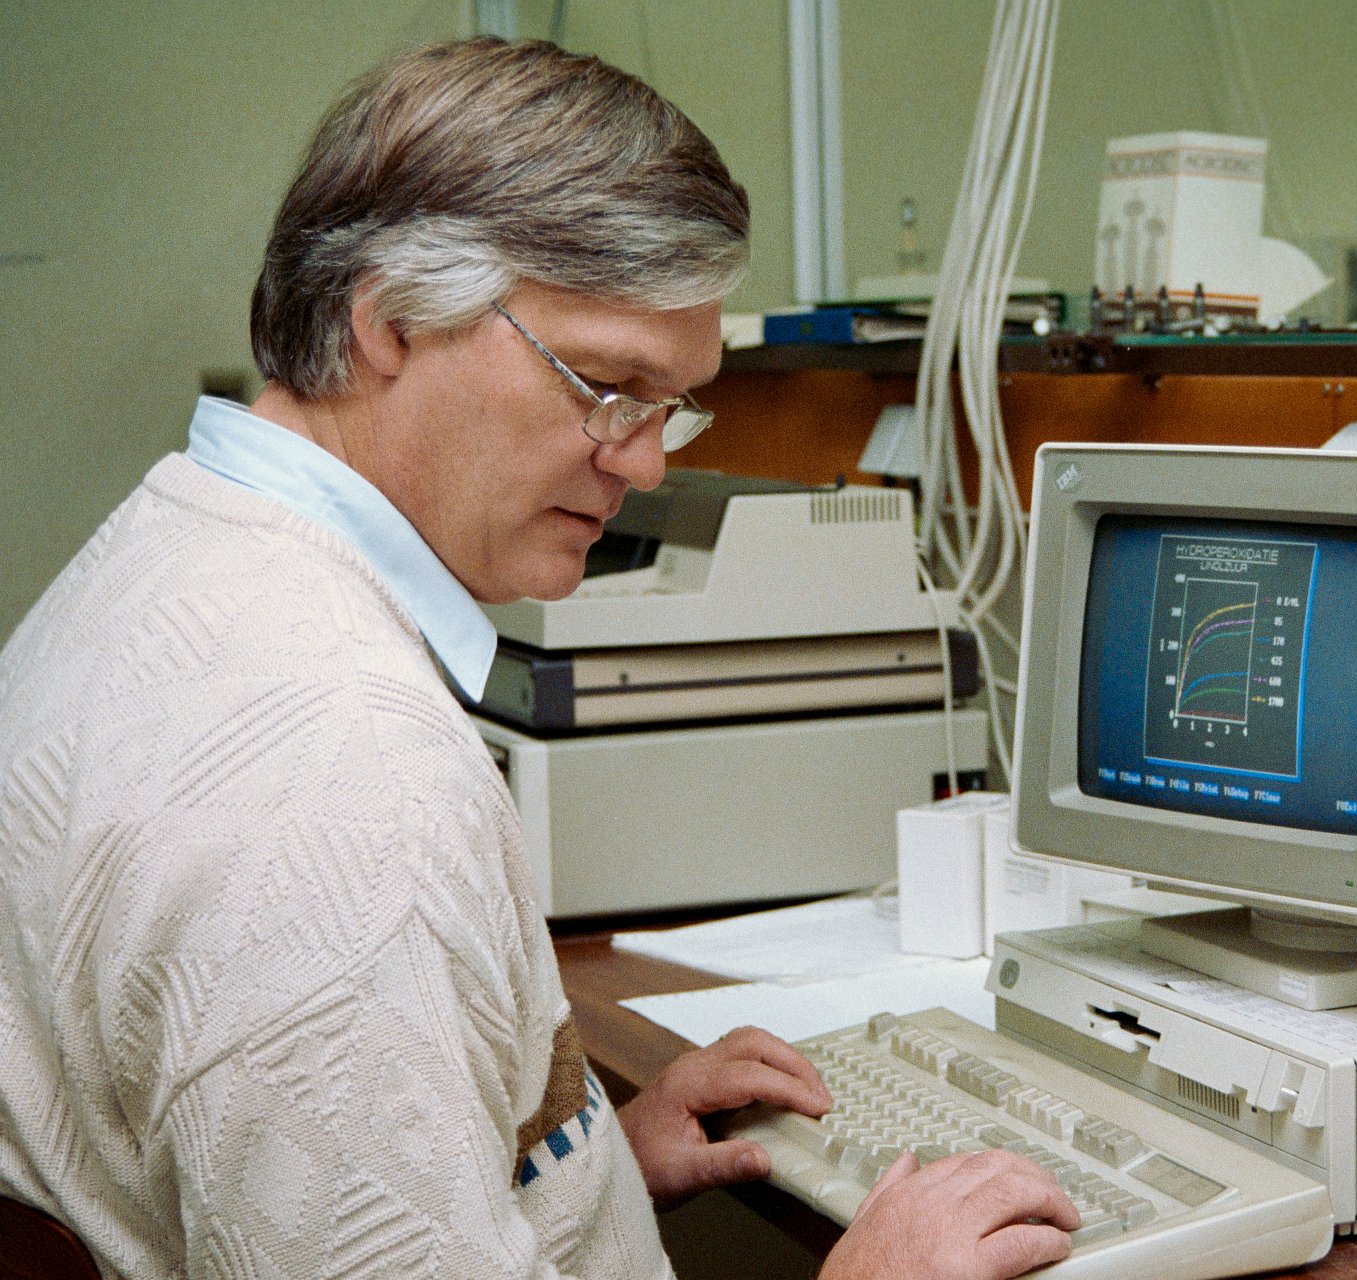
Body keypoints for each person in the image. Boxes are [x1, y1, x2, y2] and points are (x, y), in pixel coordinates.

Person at [0, 37, 1076, 1280]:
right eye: (607, 382)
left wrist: (581, 1162)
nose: (646, 460)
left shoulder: (168, 557)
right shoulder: (341, 776)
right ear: (390, 322)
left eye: (671, 404)